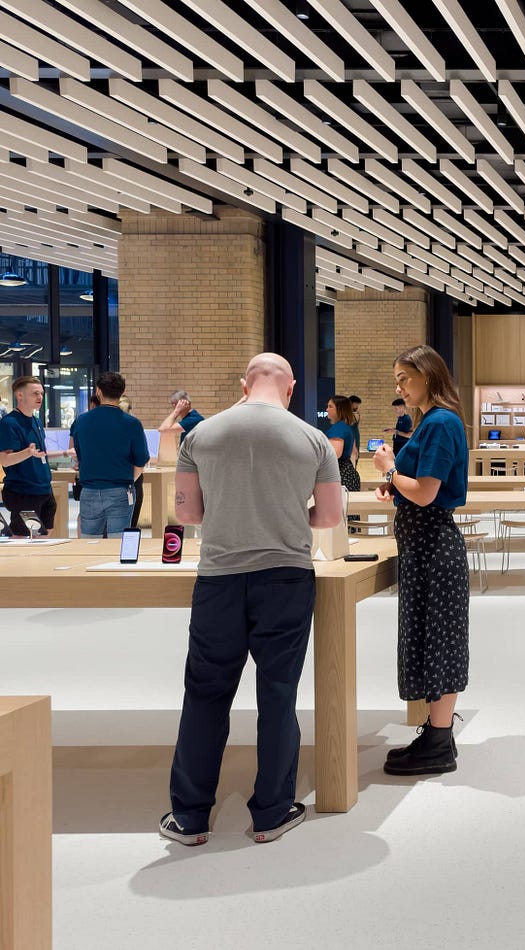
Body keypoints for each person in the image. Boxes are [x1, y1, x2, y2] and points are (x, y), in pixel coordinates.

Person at [160, 353, 343, 846]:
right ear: (290, 388)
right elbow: (328, 517)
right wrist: (283, 520)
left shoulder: (201, 436)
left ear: (245, 384)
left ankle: (191, 816)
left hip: (219, 577)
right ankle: (272, 811)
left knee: (205, 693)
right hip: (286, 576)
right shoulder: (315, 440)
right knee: (278, 693)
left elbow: (189, 514)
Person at [371, 345, 469, 777]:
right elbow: (418, 486)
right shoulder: (427, 422)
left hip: (434, 548)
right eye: (397, 379)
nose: (399, 386)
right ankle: (435, 735)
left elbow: (427, 492)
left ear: (428, 376)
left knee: (440, 643)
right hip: (422, 547)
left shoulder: (441, 422)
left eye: (405, 378)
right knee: (429, 640)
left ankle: (439, 743)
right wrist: (395, 484)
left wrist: (390, 471)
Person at [69, 372, 149, 538]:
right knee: (119, 541)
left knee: (89, 540)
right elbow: (141, 460)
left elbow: (79, 454)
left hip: (89, 488)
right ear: (122, 392)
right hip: (120, 488)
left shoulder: (81, 421)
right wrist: (127, 481)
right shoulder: (132, 423)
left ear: (98, 391)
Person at [1, 376, 57, 537]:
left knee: (45, 536)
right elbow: (4, 459)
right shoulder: (9, 423)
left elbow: (41, 454)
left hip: (45, 489)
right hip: (23, 492)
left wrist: (66, 453)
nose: (40, 397)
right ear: (20, 395)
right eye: (35, 393)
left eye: (41, 393)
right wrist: (27, 452)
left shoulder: (37, 421)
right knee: (22, 538)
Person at [117, 395, 147, 528]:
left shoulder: (106, 427)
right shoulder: (134, 425)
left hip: (113, 482)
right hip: (132, 481)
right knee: (130, 526)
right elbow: (141, 459)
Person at [325, 395, 361, 492]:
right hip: (346, 474)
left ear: (339, 409)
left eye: (330, 406)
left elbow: (335, 453)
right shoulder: (344, 426)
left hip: (341, 476)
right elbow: (354, 452)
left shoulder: (339, 428)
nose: (327, 409)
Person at [347, 395, 362, 464]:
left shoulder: (354, 414)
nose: (357, 407)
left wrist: (360, 417)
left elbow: (357, 427)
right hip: (351, 443)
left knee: (355, 462)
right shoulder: (346, 415)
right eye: (356, 404)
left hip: (356, 440)